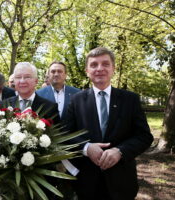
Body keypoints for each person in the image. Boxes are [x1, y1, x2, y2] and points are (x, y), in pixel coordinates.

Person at [67, 47, 154, 200]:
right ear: (87, 70)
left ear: (113, 68)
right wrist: (86, 148)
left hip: (122, 182)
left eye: (105, 64)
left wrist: (120, 151)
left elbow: (144, 136)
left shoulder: (130, 99)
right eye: (94, 65)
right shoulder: (76, 100)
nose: (99, 68)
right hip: (86, 183)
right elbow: (66, 135)